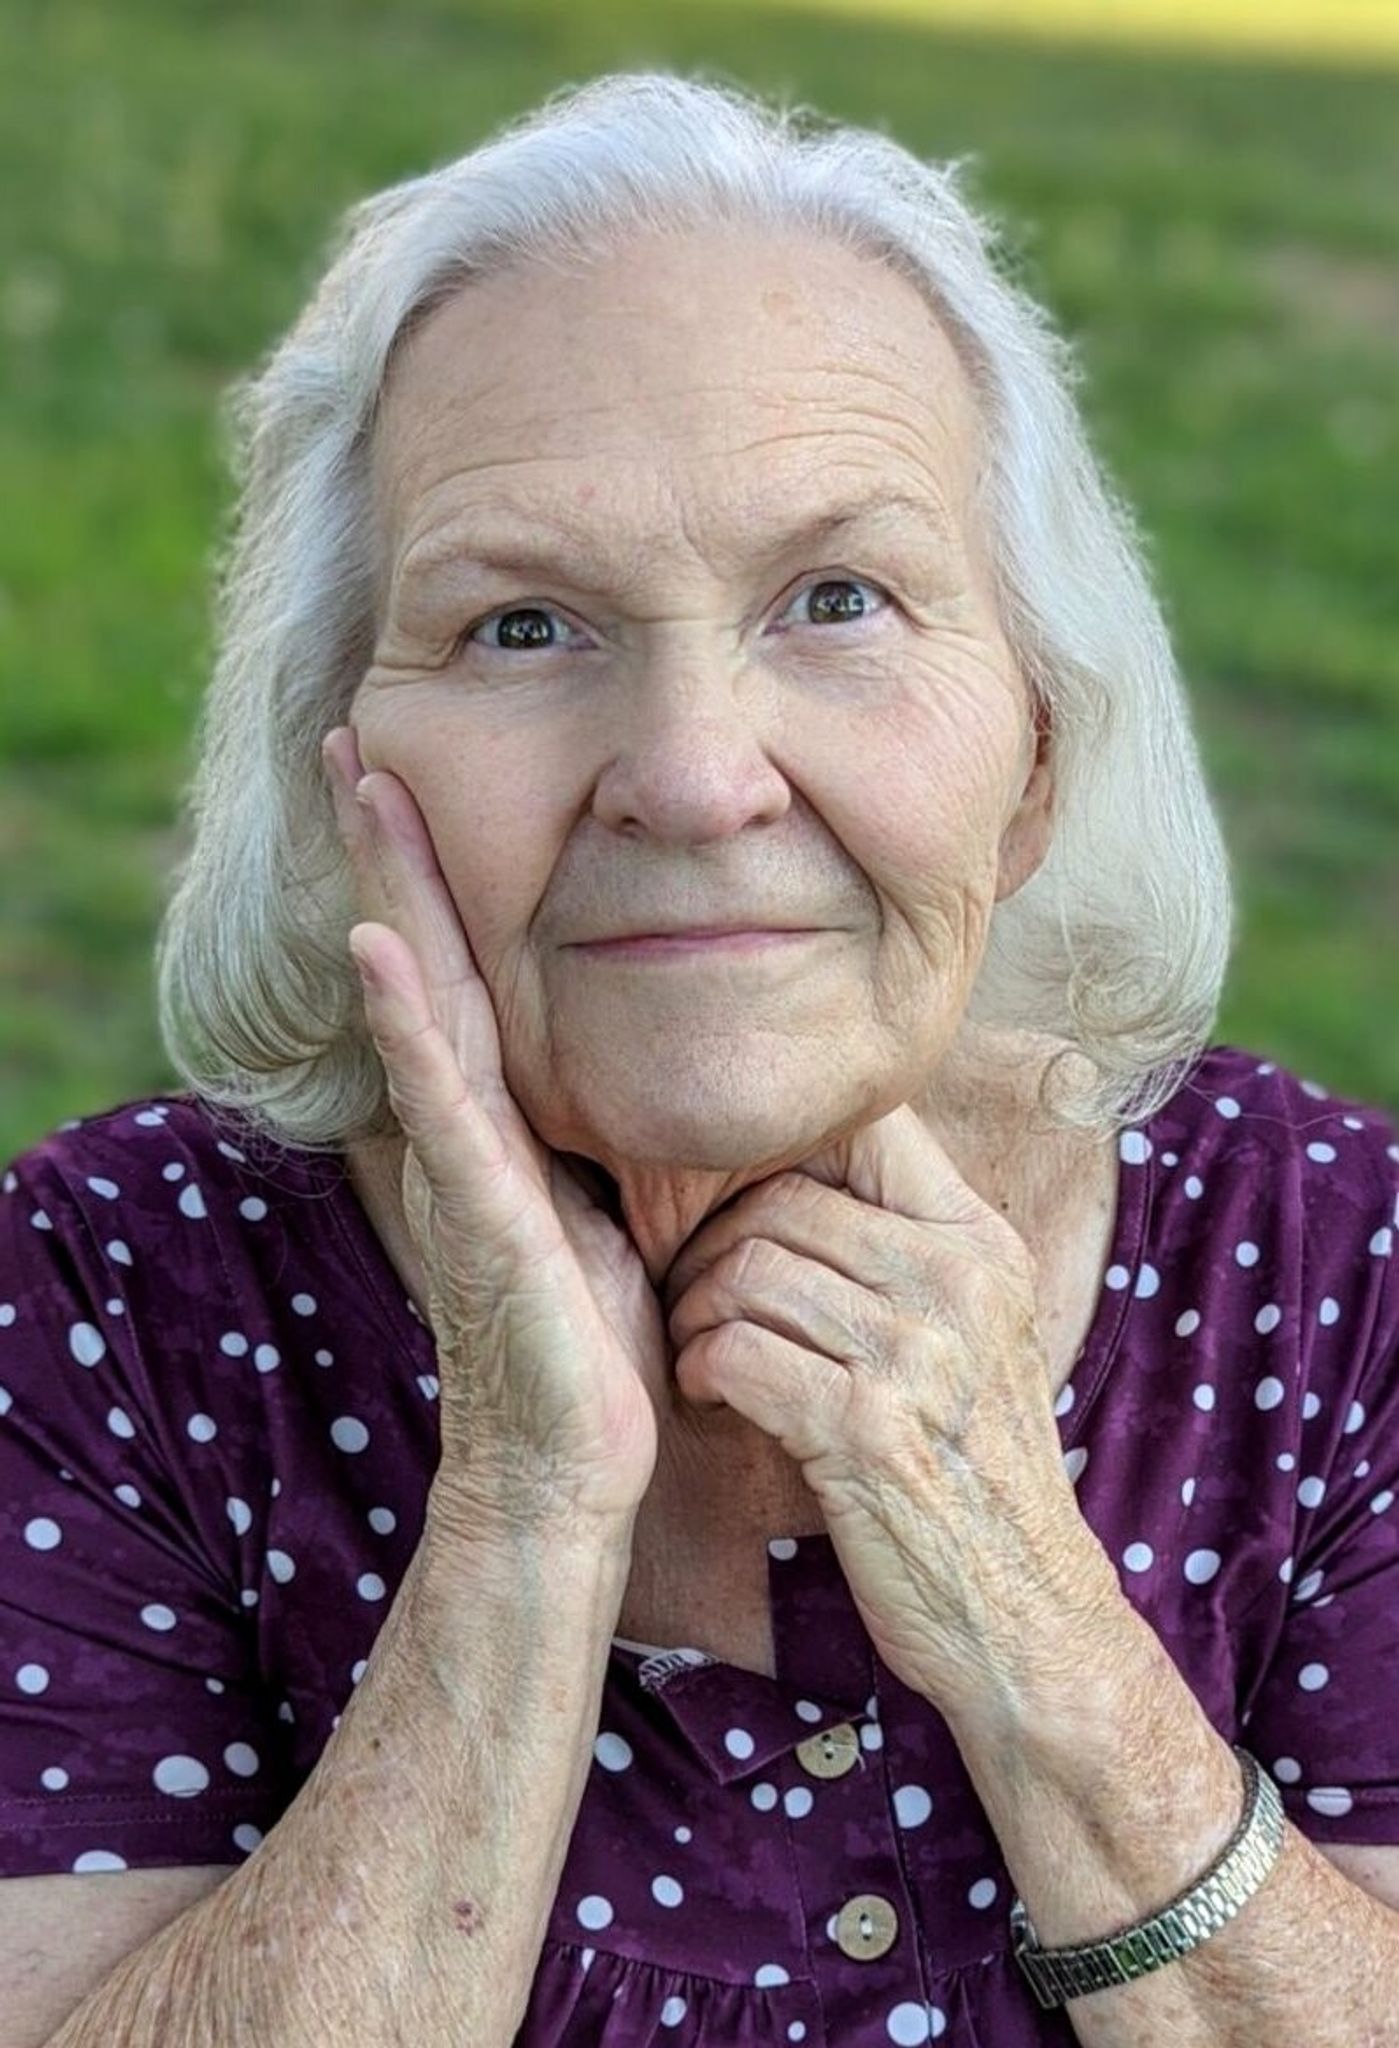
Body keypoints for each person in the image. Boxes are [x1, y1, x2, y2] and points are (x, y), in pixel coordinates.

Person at [2, 67, 1397, 2048]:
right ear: (339, 770)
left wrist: (1024, 1597)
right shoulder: (102, 1300)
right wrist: (523, 1509)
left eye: (837, 599)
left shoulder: (1338, 1273)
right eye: (521, 626)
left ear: (1033, 752)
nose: (691, 774)